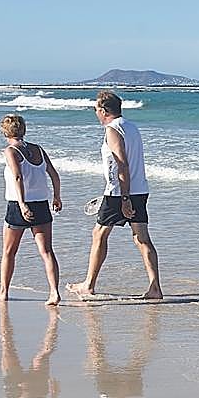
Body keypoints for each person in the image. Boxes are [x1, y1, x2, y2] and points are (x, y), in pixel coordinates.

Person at [69, 90, 163, 301]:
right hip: (140, 189)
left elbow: (122, 163)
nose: (95, 113)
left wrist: (124, 198)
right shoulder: (131, 127)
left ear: (104, 110)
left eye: (96, 110)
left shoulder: (112, 130)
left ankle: (88, 286)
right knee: (142, 239)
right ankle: (155, 287)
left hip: (119, 192)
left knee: (99, 234)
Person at [0, 114, 62, 305]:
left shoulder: (11, 151)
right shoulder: (38, 149)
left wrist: (22, 205)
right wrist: (56, 196)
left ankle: (3, 291)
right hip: (41, 204)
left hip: (18, 205)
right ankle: (54, 292)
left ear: (5, 132)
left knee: (9, 251)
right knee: (46, 251)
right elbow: (53, 174)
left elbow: (18, 177)